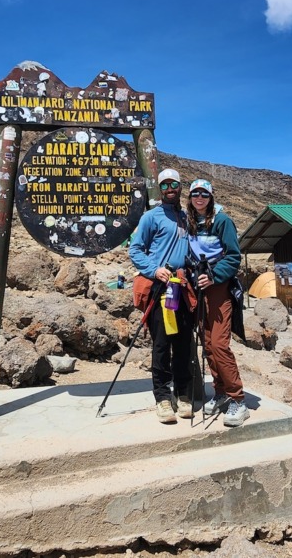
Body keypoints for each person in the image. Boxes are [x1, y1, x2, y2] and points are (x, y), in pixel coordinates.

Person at [128, 168, 193, 424]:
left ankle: (185, 396)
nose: (169, 189)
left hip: (183, 287)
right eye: (164, 185)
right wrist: (154, 270)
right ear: (159, 188)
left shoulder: (187, 218)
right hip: (160, 288)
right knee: (162, 345)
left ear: (179, 187)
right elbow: (135, 249)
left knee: (184, 343)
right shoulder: (150, 217)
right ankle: (163, 399)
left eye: (173, 185)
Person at [185, 179, 249, 427]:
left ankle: (238, 399)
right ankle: (220, 391)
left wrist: (214, 275)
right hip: (198, 285)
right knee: (207, 342)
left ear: (211, 197)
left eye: (204, 194)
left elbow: (233, 255)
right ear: (190, 197)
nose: (199, 198)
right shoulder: (190, 221)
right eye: (194, 194)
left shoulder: (222, 220)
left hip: (219, 287)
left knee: (219, 344)